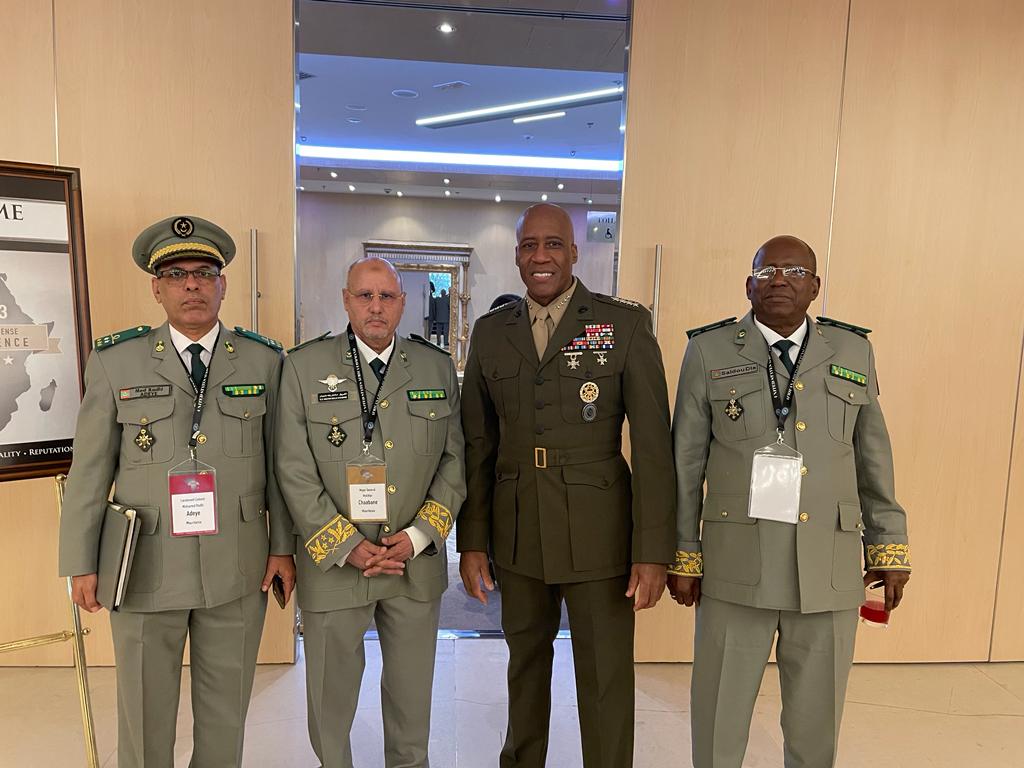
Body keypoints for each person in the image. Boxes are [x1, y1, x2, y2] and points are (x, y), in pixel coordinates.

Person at [57, 214, 295, 768]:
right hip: (144, 564)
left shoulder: (264, 360)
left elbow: (281, 466)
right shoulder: (116, 361)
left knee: (226, 712)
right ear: (156, 288)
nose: (192, 285)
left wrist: (282, 547)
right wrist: (80, 561)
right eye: (176, 274)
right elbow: (89, 469)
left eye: (205, 273)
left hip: (236, 564)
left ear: (223, 284)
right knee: (144, 714)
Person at [670, 235, 911, 768]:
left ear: (816, 286)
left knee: (816, 724)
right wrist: (684, 552)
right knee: (718, 716)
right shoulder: (709, 350)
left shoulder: (852, 350)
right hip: (737, 565)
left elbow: (873, 456)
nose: (780, 280)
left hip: (827, 564)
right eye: (767, 271)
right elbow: (685, 463)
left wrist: (889, 544)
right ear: (748, 284)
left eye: (795, 271)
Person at [458, 203, 675, 768]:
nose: (541, 256)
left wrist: (653, 550)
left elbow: (654, 449)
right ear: (516, 255)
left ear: (574, 252)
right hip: (518, 529)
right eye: (529, 245)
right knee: (524, 669)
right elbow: (478, 445)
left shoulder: (624, 325)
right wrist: (472, 541)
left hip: (600, 535)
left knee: (604, 678)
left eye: (553, 244)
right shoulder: (491, 333)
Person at [274, 256, 466, 768]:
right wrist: (346, 544)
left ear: (403, 303)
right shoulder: (303, 367)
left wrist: (420, 535)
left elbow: (455, 462)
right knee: (330, 700)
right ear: (346, 300)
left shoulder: (435, 366)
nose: (376, 307)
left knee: (412, 700)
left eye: (387, 296)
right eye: (365, 296)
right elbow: (292, 468)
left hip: (412, 563)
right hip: (336, 564)